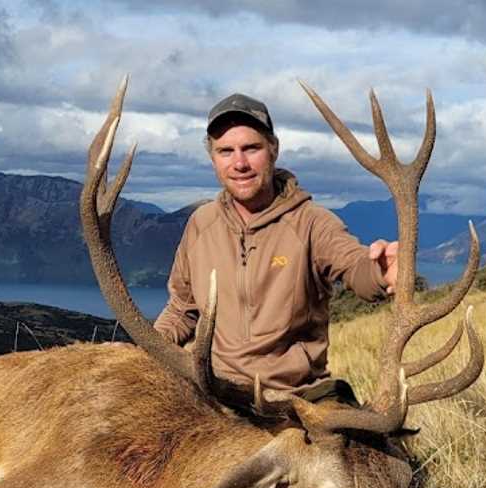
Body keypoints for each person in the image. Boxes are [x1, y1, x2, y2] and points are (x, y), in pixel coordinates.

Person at [154, 93, 399, 402]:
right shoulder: (201, 224)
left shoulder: (311, 223)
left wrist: (382, 271)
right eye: (226, 151)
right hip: (215, 396)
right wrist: (145, 350)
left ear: (273, 149)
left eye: (251, 148)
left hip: (295, 399)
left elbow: (355, 266)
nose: (239, 163)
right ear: (213, 159)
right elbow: (182, 309)